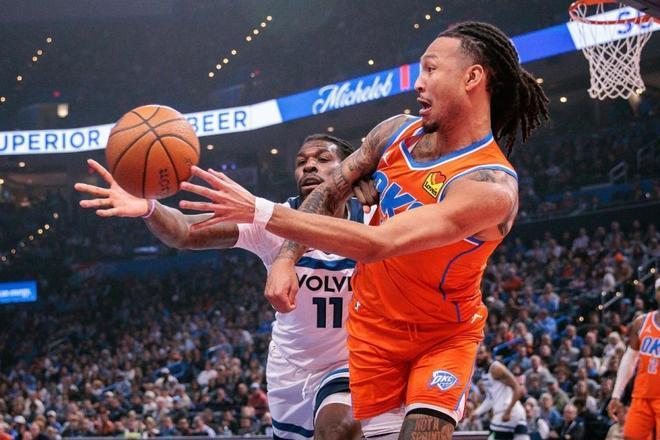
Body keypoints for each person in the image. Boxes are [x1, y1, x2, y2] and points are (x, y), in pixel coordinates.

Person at [178, 20, 548, 439]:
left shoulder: (490, 187)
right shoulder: (393, 133)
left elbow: (377, 244)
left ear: (472, 77)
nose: (418, 83)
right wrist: (285, 258)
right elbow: (328, 194)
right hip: (372, 334)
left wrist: (261, 210)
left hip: (440, 338)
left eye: (430, 69)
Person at [74, 134, 375, 440]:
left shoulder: (372, 217)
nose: (309, 166)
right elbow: (185, 231)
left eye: (322, 159)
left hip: (348, 363)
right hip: (291, 369)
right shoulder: (271, 218)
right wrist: (150, 208)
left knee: (339, 429)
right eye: (301, 162)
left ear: (348, 168)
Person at [608, 278, 660, 440]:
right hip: (642, 395)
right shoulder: (642, 322)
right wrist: (616, 394)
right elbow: (629, 359)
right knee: (630, 436)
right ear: (656, 293)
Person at [475, 345, 528, 439]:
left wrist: (508, 411)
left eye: (481, 353)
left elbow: (517, 388)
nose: (477, 356)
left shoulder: (496, 368)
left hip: (508, 412)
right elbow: (490, 399)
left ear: (488, 354)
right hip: (514, 414)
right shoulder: (484, 373)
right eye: (476, 354)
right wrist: (476, 413)